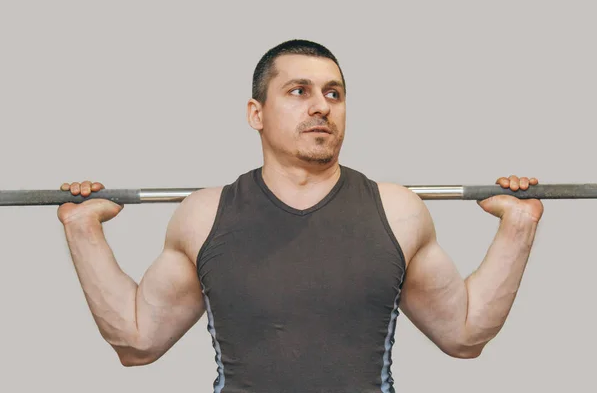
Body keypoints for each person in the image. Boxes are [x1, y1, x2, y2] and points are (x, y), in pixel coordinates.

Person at [57, 39, 543, 392]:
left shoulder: (397, 211)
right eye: (299, 92)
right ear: (256, 112)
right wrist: (82, 230)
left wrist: (517, 228)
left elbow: (463, 336)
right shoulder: (204, 215)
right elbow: (138, 344)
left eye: (334, 94)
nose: (321, 107)